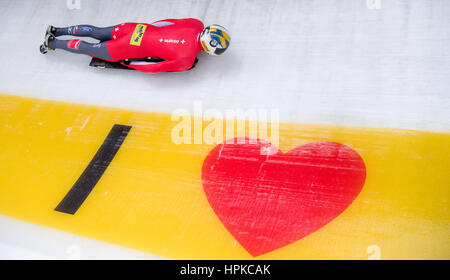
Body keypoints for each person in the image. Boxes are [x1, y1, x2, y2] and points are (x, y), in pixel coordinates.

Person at [39, 18, 230, 73]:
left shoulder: (196, 23)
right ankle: (53, 42)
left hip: (135, 29)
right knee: (88, 49)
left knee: (97, 32)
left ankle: (58, 29)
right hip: (125, 49)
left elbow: (164, 23)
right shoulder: (186, 61)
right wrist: (131, 64)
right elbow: (155, 67)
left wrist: (148, 31)